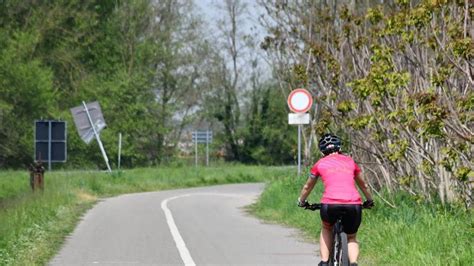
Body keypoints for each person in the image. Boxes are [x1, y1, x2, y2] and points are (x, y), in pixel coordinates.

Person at [297, 133, 374, 266]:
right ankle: (354, 263)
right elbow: (364, 185)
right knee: (351, 237)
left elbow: (307, 186)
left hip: (330, 205)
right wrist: (369, 200)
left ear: (322, 151)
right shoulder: (350, 161)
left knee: (327, 227)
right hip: (353, 205)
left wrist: (302, 201)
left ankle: (325, 261)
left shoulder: (319, 164)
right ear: (339, 148)